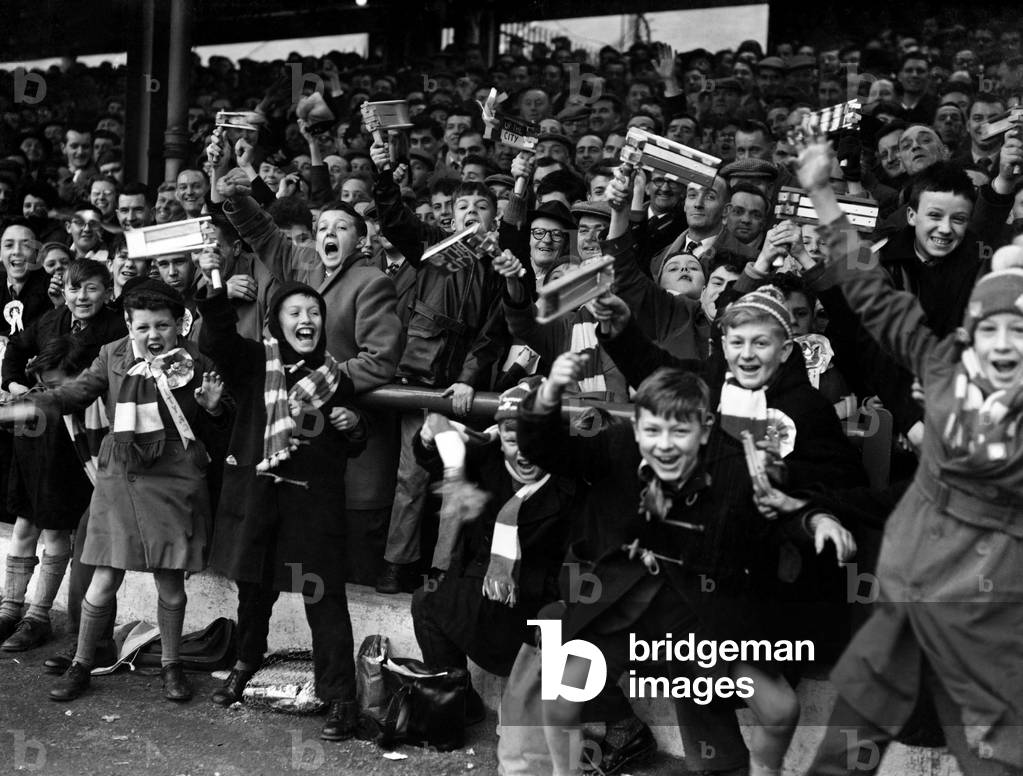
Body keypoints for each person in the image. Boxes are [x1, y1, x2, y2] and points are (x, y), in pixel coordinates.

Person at [796, 131, 1023, 776]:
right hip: (904, 608)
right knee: (843, 757)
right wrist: (820, 193)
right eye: (992, 328)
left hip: (987, 626)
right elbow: (868, 289)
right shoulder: (941, 364)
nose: (1006, 344)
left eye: (1021, 332)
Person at [517, 361, 856, 776]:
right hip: (622, 605)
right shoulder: (615, 446)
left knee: (781, 709)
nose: (666, 445)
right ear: (638, 428)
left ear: (706, 428)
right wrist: (549, 394)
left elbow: (778, 512)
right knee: (560, 702)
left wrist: (816, 521)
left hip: (701, 611)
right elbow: (543, 448)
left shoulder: (732, 465)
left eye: (680, 432)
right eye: (654, 431)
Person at [0, 279, 230, 703]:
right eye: (142, 327)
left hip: (175, 476)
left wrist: (215, 409)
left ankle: (172, 667)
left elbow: (218, 427)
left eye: (162, 325)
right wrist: (30, 405)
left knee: (170, 581)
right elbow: (74, 394)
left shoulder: (197, 361)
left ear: (180, 324)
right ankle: (81, 665)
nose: (153, 335)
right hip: (121, 473)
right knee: (104, 577)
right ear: (127, 323)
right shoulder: (111, 355)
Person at [197, 267, 367, 741]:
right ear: (277, 322)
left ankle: (342, 700)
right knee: (253, 591)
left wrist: (353, 424)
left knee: (323, 600)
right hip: (259, 497)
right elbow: (218, 341)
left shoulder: (337, 380)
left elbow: (354, 443)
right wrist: (215, 295)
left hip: (314, 509)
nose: (306, 318)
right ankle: (245, 665)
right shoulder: (254, 362)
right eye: (295, 312)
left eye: (314, 311)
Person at [0, 260, 123, 652]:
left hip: (75, 440)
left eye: (90, 289)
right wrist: (15, 384)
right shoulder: (50, 320)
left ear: (107, 291)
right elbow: (16, 349)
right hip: (32, 433)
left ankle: (38, 616)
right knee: (24, 522)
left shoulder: (116, 329)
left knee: (55, 528)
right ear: (64, 291)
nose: (81, 297)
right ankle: (9, 609)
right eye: (73, 289)